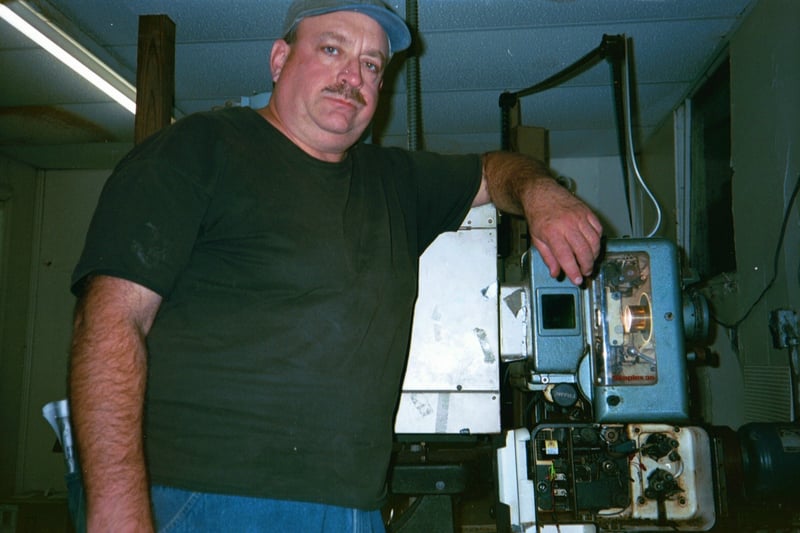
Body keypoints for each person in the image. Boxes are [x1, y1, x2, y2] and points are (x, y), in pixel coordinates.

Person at [67, 0, 603, 531]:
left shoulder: (395, 181)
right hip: (207, 497)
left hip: (354, 505)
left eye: (372, 64)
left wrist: (540, 192)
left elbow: (493, 171)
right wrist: (116, 508)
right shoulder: (199, 147)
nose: (353, 76)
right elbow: (111, 321)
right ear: (279, 60)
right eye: (331, 49)